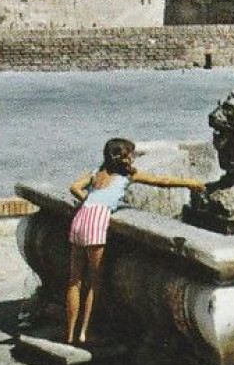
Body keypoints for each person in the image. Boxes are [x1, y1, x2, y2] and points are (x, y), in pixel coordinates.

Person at [65, 138, 204, 346]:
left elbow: (74, 187)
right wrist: (192, 183)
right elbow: (162, 182)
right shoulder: (128, 176)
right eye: (131, 154)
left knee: (75, 280)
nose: (133, 157)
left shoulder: (97, 172)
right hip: (97, 222)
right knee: (94, 281)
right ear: (124, 157)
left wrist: (90, 200)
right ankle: (84, 334)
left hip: (81, 218)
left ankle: (68, 335)